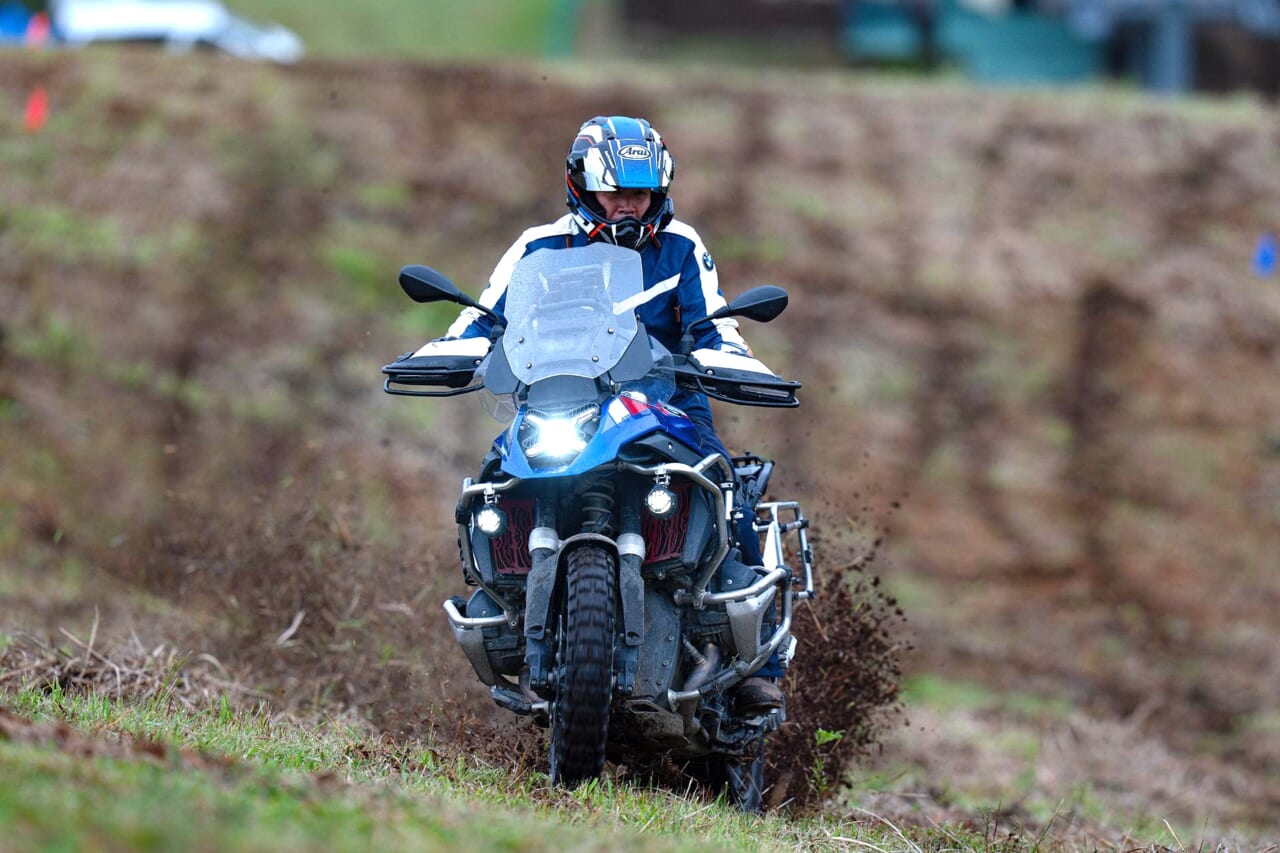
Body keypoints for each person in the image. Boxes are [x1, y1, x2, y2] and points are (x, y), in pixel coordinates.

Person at [427, 115, 783, 712]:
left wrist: (736, 364)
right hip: (559, 400)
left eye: (639, 195)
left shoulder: (682, 246)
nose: (626, 208)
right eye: (614, 194)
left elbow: (715, 326)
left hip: (665, 403)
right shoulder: (538, 246)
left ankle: (756, 668)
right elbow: (482, 319)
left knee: (727, 491)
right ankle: (499, 602)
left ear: (659, 193)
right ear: (581, 187)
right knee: (490, 488)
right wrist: (441, 354)